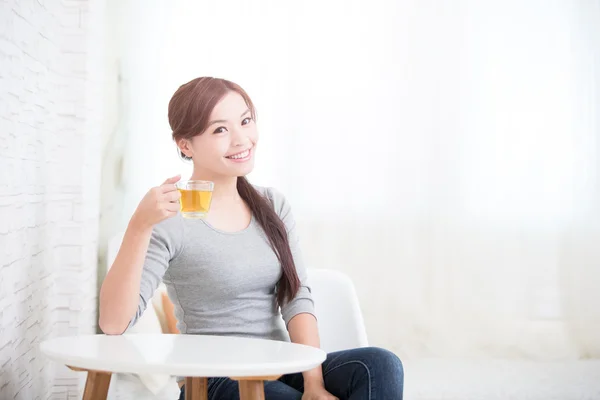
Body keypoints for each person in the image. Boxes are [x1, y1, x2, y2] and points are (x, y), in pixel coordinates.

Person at [98, 77, 404, 400]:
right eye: (220, 130)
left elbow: (295, 296)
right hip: (214, 381)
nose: (241, 139)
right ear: (185, 145)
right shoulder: (171, 217)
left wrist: (313, 383)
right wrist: (138, 226)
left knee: (381, 366)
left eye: (245, 121)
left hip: (279, 366)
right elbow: (113, 323)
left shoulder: (272, 205)